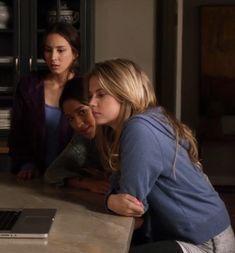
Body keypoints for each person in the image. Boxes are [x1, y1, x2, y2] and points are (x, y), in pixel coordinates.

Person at [87, 58, 235, 253]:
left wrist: (109, 200)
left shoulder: (139, 128)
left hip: (205, 242)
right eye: (90, 95)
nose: (91, 103)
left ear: (124, 93)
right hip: (201, 233)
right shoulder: (146, 120)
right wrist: (113, 198)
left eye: (101, 94)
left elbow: (132, 205)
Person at [8, 22, 80, 180]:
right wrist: (26, 164)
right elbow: (17, 132)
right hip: (34, 175)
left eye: (61, 50)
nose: (53, 57)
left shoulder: (84, 88)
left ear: (75, 53)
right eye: (48, 50)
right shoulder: (29, 86)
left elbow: (92, 136)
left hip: (73, 176)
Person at [44, 77, 109, 194]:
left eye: (82, 112)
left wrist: (109, 177)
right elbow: (52, 172)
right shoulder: (83, 138)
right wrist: (85, 182)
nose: (78, 124)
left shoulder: (125, 133)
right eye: (70, 118)